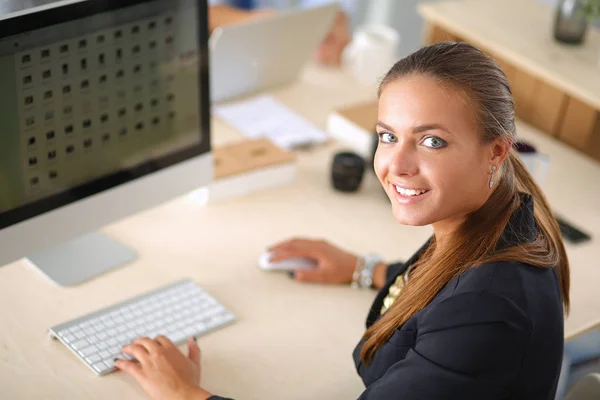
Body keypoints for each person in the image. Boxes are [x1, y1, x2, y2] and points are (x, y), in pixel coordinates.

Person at [114, 41, 570, 400]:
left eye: (432, 142)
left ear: (496, 149)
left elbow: (464, 311)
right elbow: (447, 289)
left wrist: (186, 394)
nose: (397, 165)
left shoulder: (486, 312)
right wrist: (364, 269)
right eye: (388, 136)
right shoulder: (498, 219)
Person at [207, 0, 355, 66]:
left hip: (292, 68)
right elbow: (207, 15)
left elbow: (332, 13)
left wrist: (331, 23)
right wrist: (272, 22)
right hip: (230, 62)